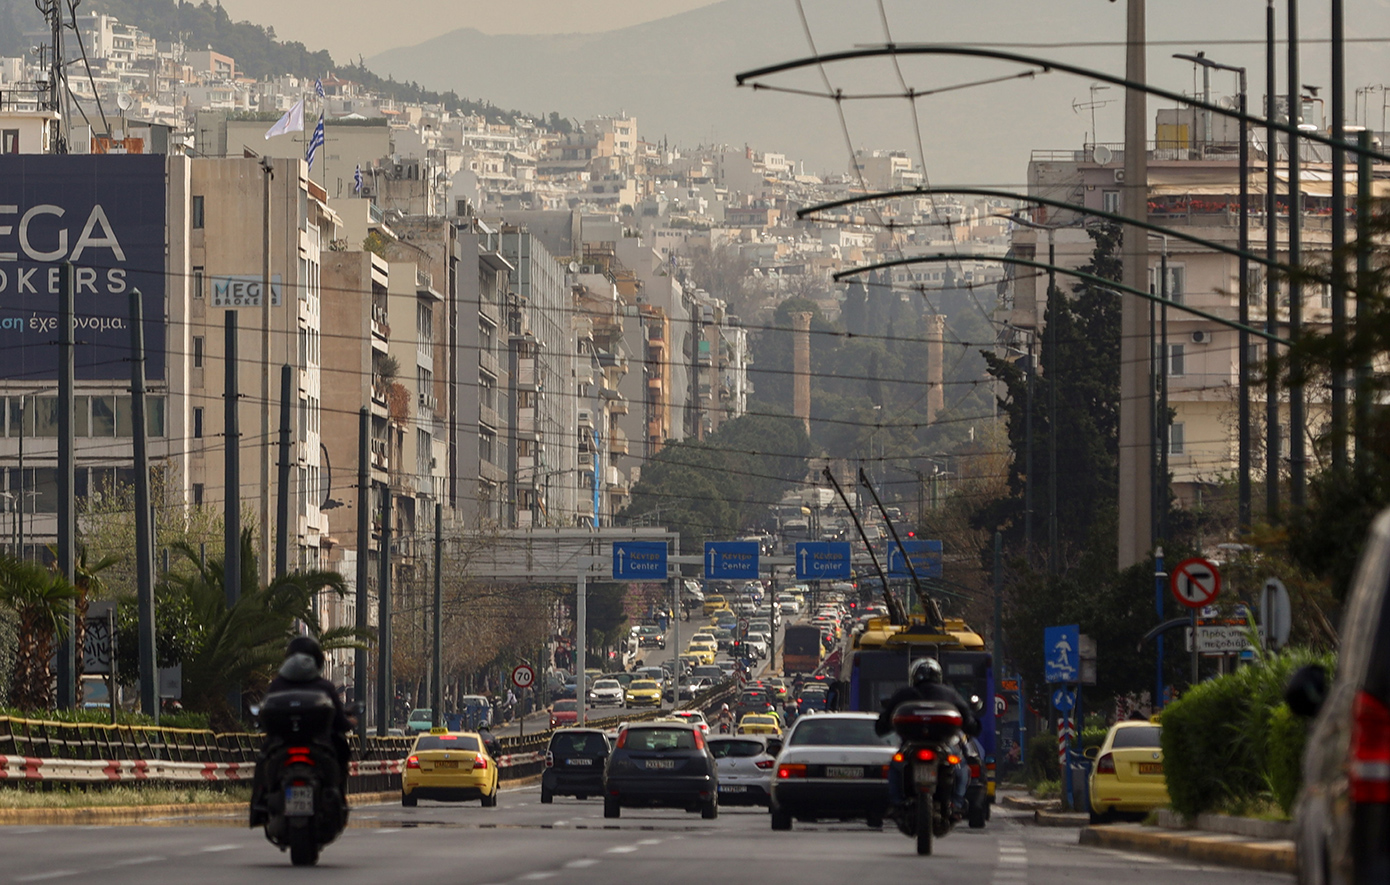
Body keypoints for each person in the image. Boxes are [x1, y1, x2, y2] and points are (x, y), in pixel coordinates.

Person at [251, 636, 355, 825]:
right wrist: (350, 723)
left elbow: (264, 717)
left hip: (282, 748)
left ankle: (258, 805)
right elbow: (340, 722)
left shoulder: (276, 686)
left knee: (263, 757)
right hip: (318, 748)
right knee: (341, 749)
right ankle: (339, 798)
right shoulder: (324, 687)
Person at [874, 657, 979, 815]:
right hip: (942, 744)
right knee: (960, 766)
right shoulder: (949, 693)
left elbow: (884, 721)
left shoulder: (904, 694)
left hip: (912, 744)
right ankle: (956, 803)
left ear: (913, 676)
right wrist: (973, 727)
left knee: (895, 767)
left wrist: (883, 727)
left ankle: (896, 803)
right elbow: (968, 719)